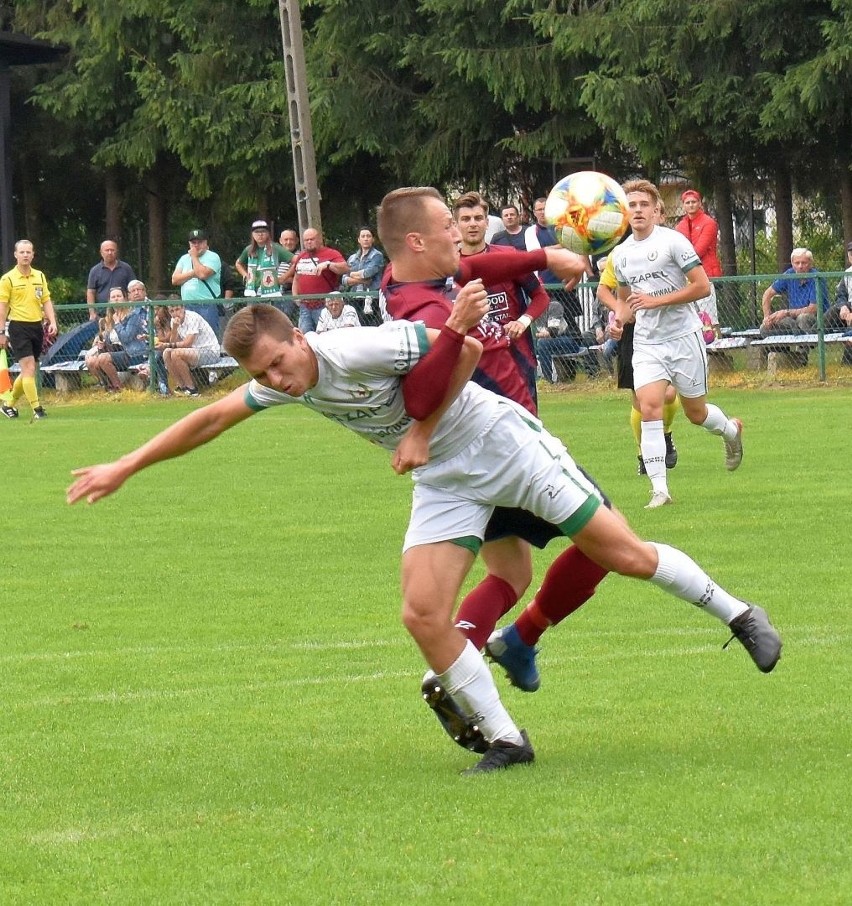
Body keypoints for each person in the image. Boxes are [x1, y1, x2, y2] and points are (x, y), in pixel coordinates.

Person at [66, 303, 782, 774]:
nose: (276, 380)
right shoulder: (283, 383)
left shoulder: (358, 344)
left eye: (279, 363)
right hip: (444, 481)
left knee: (620, 554)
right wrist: (126, 466)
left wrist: (418, 429)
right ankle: (507, 740)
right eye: (262, 375)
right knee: (420, 612)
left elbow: (462, 348)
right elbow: (211, 420)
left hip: (502, 444)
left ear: (296, 336)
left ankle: (739, 614)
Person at [612, 179, 743, 509]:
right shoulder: (621, 254)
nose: (638, 210)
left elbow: (702, 287)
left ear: (657, 210)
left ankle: (730, 431)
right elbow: (626, 302)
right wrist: (617, 320)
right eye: (632, 205)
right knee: (650, 407)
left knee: (695, 413)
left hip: (684, 338)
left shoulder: (674, 242)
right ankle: (660, 490)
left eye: (644, 204)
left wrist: (657, 302)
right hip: (647, 343)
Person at [597, 213, 680, 476]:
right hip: (634, 332)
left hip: (666, 328)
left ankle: (664, 435)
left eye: (647, 207)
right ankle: (644, 454)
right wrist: (621, 310)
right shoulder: (620, 253)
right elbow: (603, 291)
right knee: (640, 401)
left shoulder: (670, 246)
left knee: (668, 394)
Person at [452, 191, 550, 402]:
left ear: (487, 223)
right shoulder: (449, 269)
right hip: (470, 364)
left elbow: (540, 296)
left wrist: (522, 322)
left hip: (515, 358)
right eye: (466, 219)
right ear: (455, 225)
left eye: (478, 218)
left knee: (525, 429)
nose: (473, 224)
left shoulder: (508, 256)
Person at [0, 239, 58, 419]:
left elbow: (46, 300)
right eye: (22, 252)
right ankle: (37, 409)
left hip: (36, 326)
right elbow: (2, 307)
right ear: (15, 255)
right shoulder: (8, 278)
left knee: (29, 370)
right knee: (28, 366)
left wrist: (52, 321)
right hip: (18, 327)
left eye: (28, 252)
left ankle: (8, 405)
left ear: (33, 255)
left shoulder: (39, 276)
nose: (25, 255)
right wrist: (1, 332)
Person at [282, 228, 349, 334]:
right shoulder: (301, 256)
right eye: (306, 240)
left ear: (319, 239)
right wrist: (295, 297)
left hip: (324, 306)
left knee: (326, 336)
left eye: (311, 239)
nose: (309, 242)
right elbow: (296, 277)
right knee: (305, 338)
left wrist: (328, 265)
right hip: (305, 306)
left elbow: (345, 268)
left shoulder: (331, 253)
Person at [85, 287, 148, 392]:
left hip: (132, 353)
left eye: (119, 296)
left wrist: (118, 323)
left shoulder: (133, 316)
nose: (116, 299)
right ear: (109, 301)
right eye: (113, 297)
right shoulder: (109, 318)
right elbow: (109, 340)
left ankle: (118, 388)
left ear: (124, 299)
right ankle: (108, 386)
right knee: (91, 362)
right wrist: (101, 344)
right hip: (114, 352)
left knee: (103, 358)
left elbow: (127, 337)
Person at [675, 189, 722, 333]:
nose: (691, 205)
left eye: (694, 202)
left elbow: (698, 250)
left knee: (709, 313)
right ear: (683, 205)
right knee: (690, 314)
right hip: (686, 275)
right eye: (687, 202)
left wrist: (682, 257)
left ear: (700, 203)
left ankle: (715, 347)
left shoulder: (709, 223)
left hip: (706, 272)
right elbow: (676, 248)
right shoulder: (680, 225)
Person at [760, 248, 829, 337]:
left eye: (804, 263)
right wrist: (767, 317)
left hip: (817, 321)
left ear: (810, 264)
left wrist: (786, 313)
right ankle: (779, 350)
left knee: (803, 318)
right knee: (764, 327)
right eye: (797, 263)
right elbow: (767, 294)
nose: (800, 266)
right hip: (793, 319)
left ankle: (803, 348)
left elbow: (813, 309)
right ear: (792, 263)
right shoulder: (789, 274)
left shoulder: (817, 278)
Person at [161, 303, 221, 397]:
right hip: (192, 352)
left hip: (210, 351)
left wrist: (166, 344)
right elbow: (173, 343)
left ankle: (192, 390)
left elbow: (188, 343)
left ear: (183, 308)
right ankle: (182, 387)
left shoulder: (193, 317)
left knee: (176, 354)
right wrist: (175, 328)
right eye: (172, 311)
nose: (175, 313)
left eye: (177, 309)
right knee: (166, 352)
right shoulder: (173, 321)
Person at [171, 229, 222, 336]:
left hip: (206, 305)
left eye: (200, 242)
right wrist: (193, 273)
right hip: (187, 305)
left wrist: (194, 256)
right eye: (193, 243)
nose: (196, 245)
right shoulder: (184, 259)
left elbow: (203, 275)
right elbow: (175, 280)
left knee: (208, 337)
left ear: (206, 242)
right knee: (188, 338)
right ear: (189, 244)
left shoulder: (213, 257)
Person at [235, 220, 293, 301]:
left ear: (268, 233)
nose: (260, 234)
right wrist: (245, 275)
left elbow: (296, 261)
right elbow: (238, 263)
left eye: (263, 231)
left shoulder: (275, 248)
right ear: (252, 234)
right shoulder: (249, 249)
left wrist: (284, 277)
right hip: (253, 294)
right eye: (256, 232)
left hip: (272, 294)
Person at [341, 227, 386, 321]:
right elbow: (344, 279)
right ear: (359, 240)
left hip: (371, 298)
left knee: (370, 328)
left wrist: (352, 274)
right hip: (354, 298)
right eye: (363, 236)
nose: (366, 239)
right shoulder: (352, 258)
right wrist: (361, 280)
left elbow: (368, 273)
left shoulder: (377, 255)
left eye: (368, 236)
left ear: (373, 239)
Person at [86, 239, 136, 322]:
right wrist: (92, 313)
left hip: (124, 313)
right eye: (107, 250)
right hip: (102, 314)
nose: (110, 252)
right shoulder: (94, 271)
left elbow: (133, 288)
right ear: (101, 252)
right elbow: (91, 292)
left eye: (112, 250)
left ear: (116, 252)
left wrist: (131, 308)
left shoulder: (126, 268)